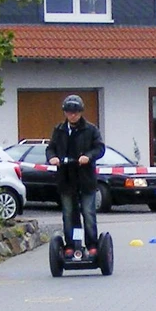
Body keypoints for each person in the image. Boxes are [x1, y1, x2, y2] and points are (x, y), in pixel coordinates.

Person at [46, 95, 105, 258]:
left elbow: (99, 148)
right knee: (68, 213)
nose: (72, 115)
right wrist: (52, 157)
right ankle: (71, 245)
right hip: (66, 179)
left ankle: (92, 245)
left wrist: (88, 156)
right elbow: (50, 148)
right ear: (65, 113)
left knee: (88, 212)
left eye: (76, 112)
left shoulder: (91, 129)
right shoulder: (59, 130)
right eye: (69, 112)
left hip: (85, 179)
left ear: (80, 112)